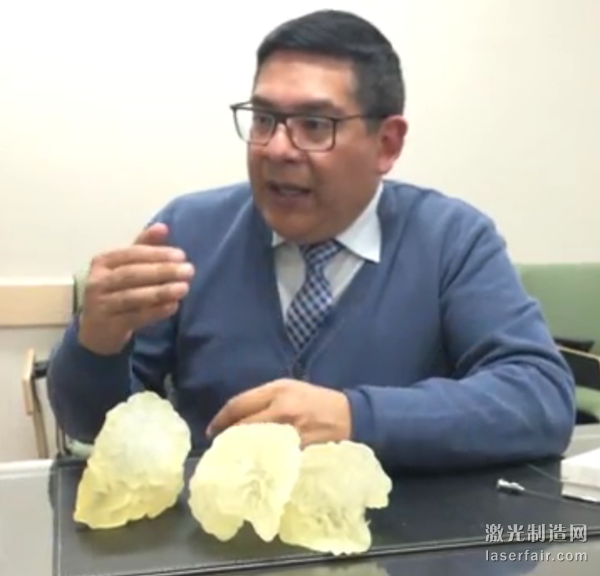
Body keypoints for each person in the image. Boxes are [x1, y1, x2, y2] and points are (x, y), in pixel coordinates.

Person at [46, 9, 576, 470]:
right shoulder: (189, 231)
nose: (277, 148)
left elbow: (540, 399)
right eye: (264, 119)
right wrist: (96, 342)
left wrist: (356, 417)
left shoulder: (451, 240)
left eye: (315, 125)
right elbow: (93, 426)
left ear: (386, 144)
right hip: (217, 535)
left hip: (397, 536)